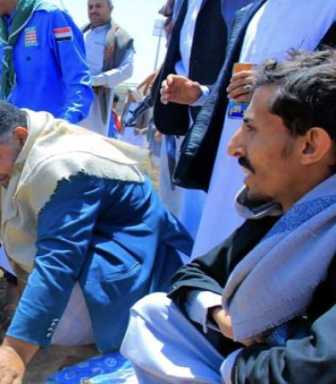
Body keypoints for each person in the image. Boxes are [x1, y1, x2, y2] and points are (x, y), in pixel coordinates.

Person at [121, 49, 336, 384]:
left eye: (250, 129)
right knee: (153, 313)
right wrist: (222, 317)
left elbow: (317, 368)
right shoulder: (284, 211)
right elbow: (194, 274)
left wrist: (235, 364)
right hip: (261, 366)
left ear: (309, 146)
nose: (234, 147)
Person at [0, 99, 193, 384]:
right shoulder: (24, 146)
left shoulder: (62, 168)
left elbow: (58, 262)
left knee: (56, 325)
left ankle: (100, 340)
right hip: (104, 248)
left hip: (142, 264)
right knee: (41, 319)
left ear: (19, 135)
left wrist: (15, 349)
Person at [173, 0, 336, 257]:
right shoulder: (256, 11)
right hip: (229, 176)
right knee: (212, 255)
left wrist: (275, 86)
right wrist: (202, 94)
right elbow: (233, 88)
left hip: (296, 194)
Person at [151, 0, 252, 239]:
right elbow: (180, 57)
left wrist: (202, 94)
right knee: (174, 221)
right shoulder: (185, 4)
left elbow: (241, 67)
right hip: (177, 124)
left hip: (215, 132)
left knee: (205, 226)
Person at [0, 0, 93, 124]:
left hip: (49, 129)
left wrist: (65, 123)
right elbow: (9, 84)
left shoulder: (51, 17)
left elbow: (78, 77)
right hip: (14, 130)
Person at [79, 0, 134, 136]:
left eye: (98, 6)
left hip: (97, 101)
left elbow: (127, 69)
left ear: (110, 8)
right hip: (72, 97)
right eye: (90, 7)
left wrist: (96, 80)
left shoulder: (120, 37)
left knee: (91, 143)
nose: (93, 10)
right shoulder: (80, 34)